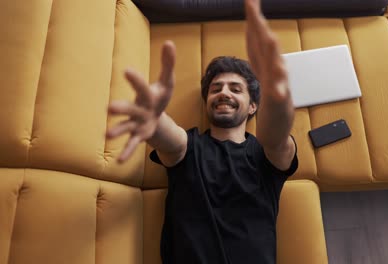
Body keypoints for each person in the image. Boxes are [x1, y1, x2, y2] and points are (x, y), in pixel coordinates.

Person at [106, 0, 297, 263]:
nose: (224, 93)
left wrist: (279, 99)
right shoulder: (190, 145)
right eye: (215, 88)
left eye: (235, 88)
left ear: (253, 106)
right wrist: (154, 118)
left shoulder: (265, 153)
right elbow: (171, 139)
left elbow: (276, 138)